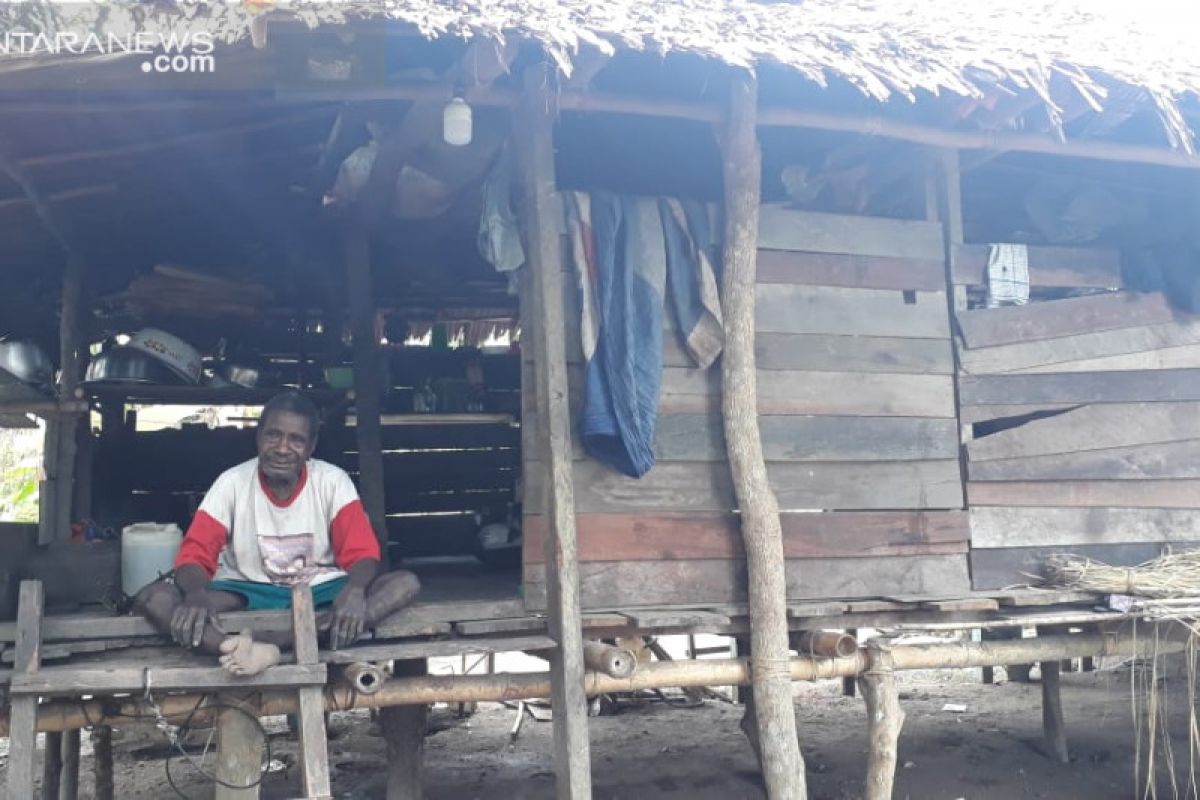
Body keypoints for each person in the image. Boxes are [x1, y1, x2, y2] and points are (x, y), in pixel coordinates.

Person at [135, 391, 420, 676]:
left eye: (296, 440)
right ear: (258, 437)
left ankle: (270, 651)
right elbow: (194, 555)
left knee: (404, 584)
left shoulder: (332, 482)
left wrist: (356, 590)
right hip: (246, 589)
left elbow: (363, 554)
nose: (283, 448)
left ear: (311, 448)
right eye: (273, 435)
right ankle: (232, 648)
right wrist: (195, 594)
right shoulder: (231, 483)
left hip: (318, 590)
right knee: (155, 598)